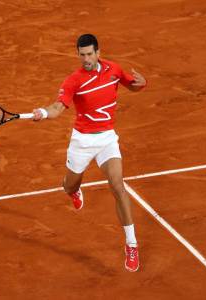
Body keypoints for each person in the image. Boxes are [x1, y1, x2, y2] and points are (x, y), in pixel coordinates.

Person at [32, 34, 146, 272]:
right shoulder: (74, 80)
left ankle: (131, 244)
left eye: (89, 54)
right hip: (82, 142)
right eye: (81, 55)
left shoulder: (114, 69)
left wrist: (141, 84)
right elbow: (57, 107)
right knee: (69, 185)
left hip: (106, 139)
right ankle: (73, 190)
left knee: (118, 185)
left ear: (98, 52)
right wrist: (43, 112)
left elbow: (132, 85)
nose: (86, 59)